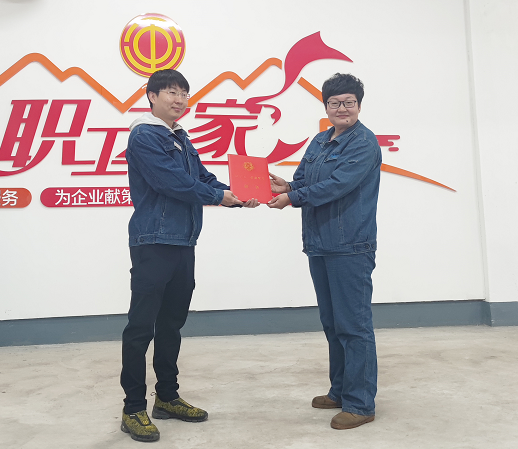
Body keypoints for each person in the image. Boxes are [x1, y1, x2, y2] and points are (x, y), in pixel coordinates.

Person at [120, 68, 258, 442]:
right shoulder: (144, 136)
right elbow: (173, 182)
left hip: (183, 242)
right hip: (154, 241)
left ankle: (167, 397)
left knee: (171, 324)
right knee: (140, 327)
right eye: (171, 92)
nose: (179, 100)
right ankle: (133, 408)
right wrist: (217, 197)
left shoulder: (180, 137)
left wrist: (241, 193)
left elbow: (203, 177)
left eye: (184, 93)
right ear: (151, 96)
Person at [267, 73, 381, 430]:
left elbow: (336, 185)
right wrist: (286, 186)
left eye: (349, 102)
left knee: (354, 326)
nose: (342, 108)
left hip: (350, 245)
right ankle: (340, 391)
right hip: (320, 243)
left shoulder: (363, 143)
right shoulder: (320, 140)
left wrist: (293, 198)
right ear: (326, 106)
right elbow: (304, 179)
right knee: (333, 324)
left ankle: (360, 404)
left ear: (359, 105)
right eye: (335, 103)